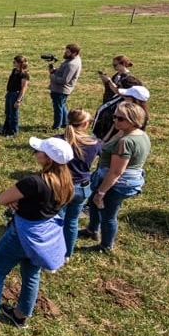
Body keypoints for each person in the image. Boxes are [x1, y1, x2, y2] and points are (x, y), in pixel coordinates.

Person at [0, 137, 74, 336]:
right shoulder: (66, 183)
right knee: (31, 274)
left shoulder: (33, 182)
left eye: (40, 150)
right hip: (43, 237)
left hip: (21, 234)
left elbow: (2, 198)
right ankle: (20, 315)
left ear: (48, 159)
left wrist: (14, 202)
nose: (35, 152)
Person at [83, 101, 151, 253]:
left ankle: (105, 246)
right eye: (115, 117)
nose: (115, 121)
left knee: (108, 214)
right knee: (93, 204)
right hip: (119, 178)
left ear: (133, 120)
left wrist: (101, 192)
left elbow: (115, 172)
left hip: (116, 183)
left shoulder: (125, 141)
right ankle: (92, 229)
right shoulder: (136, 134)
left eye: (120, 119)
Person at [61, 109, 102, 257]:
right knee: (72, 221)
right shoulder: (95, 143)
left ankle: (53, 251)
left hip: (61, 186)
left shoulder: (58, 140)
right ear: (86, 124)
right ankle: (67, 254)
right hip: (82, 187)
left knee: (57, 220)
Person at [48, 43, 82, 131]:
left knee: (58, 107)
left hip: (61, 90)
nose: (65, 53)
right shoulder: (72, 60)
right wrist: (55, 70)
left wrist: (52, 76)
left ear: (74, 53)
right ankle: (65, 122)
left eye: (67, 52)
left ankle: (56, 126)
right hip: (61, 89)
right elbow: (64, 72)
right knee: (62, 106)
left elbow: (64, 80)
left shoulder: (72, 64)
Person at [0, 55, 30, 137]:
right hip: (10, 93)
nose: (13, 63)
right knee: (8, 112)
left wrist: (18, 100)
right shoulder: (14, 71)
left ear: (20, 64)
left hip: (16, 95)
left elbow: (23, 88)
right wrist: (8, 92)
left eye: (15, 62)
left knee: (14, 114)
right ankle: (5, 129)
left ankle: (13, 132)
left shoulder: (24, 75)